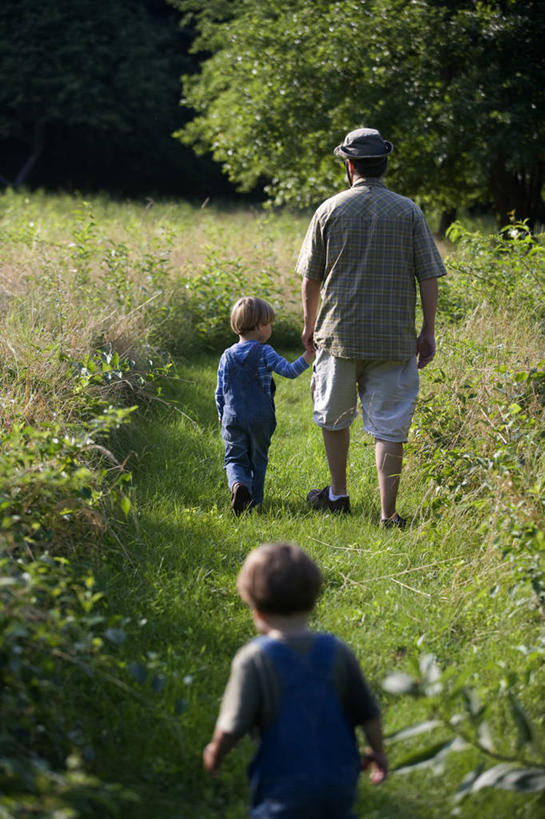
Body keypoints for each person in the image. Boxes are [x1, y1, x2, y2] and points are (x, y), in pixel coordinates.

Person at [297, 127, 447, 527]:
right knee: (390, 426)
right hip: (395, 338)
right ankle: (388, 513)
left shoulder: (329, 210)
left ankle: (338, 494)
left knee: (334, 417)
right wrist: (427, 330)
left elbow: (310, 278)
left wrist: (309, 326)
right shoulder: (409, 211)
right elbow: (428, 275)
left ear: (349, 166)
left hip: (339, 334)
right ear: (383, 164)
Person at [203, 542, 387, 818]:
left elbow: (232, 726)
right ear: (313, 602)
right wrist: (378, 752)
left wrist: (215, 754)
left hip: (283, 785)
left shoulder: (254, 659)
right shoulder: (337, 651)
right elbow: (368, 713)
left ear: (255, 609)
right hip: (340, 780)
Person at [216, 297, 313, 514]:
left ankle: (238, 486)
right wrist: (309, 355)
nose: (270, 328)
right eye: (269, 324)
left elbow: (220, 390)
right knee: (258, 459)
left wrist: (221, 413)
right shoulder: (265, 351)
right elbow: (289, 371)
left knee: (234, 458)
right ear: (260, 326)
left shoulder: (227, 355)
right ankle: (254, 502)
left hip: (233, 417)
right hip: (261, 417)